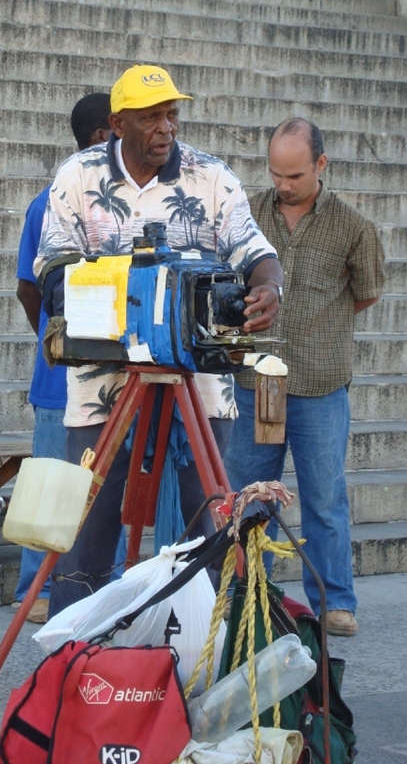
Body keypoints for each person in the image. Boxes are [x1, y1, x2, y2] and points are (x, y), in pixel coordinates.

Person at [34, 64, 284, 617]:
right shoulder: (78, 175)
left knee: (208, 508)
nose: (166, 128)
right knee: (90, 517)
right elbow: (50, 264)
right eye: (150, 118)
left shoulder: (211, 177)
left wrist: (269, 287)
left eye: (171, 115)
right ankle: (76, 650)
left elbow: (255, 250)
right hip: (106, 384)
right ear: (118, 124)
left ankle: (210, 639)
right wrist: (98, 303)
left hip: (201, 381)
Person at [223, 117, 385, 637]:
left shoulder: (354, 228)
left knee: (324, 499)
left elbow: (366, 293)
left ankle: (335, 600)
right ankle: (248, 593)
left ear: (321, 165)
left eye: (294, 175)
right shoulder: (245, 214)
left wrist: (318, 328)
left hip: (319, 387)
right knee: (250, 497)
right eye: (276, 174)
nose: (284, 185)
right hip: (259, 386)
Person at [13, 93, 114, 625]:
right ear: (102, 136)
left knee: (101, 485)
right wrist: (58, 345)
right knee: (53, 481)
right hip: (62, 379)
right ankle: (36, 588)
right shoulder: (51, 202)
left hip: (110, 377)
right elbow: (30, 288)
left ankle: (96, 582)